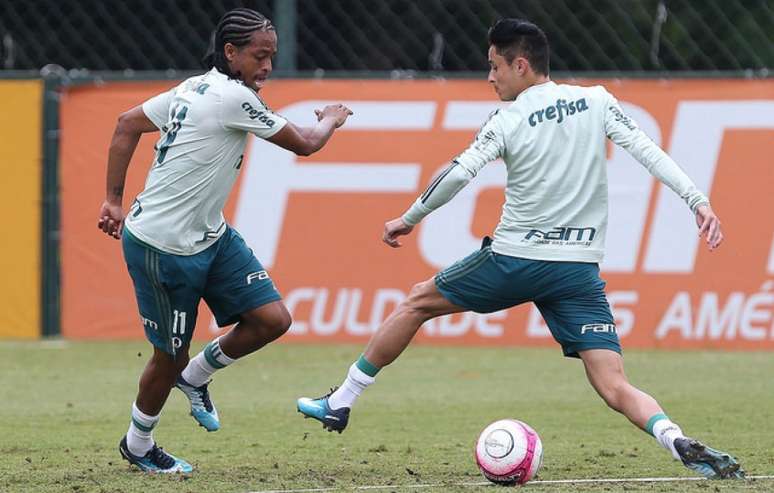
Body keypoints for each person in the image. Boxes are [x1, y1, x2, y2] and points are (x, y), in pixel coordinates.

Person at [297, 18, 743, 480]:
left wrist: (407, 220)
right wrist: (698, 201)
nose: (490, 78)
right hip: (577, 271)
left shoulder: (506, 119)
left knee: (415, 302)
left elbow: (455, 174)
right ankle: (675, 439)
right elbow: (650, 151)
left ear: (521, 65)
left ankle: (341, 401)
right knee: (613, 383)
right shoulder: (596, 101)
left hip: (516, 259)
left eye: (495, 67)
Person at [97, 8, 352, 473]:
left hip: (210, 236)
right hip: (162, 246)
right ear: (231, 52)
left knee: (272, 319)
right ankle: (137, 444)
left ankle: (197, 376)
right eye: (260, 56)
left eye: (272, 57)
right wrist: (332, 117)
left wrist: (114, 200)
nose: (268, 67)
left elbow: (125, 123)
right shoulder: (232, 97)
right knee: (167, 358)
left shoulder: (195, 86)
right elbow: (308, 143)